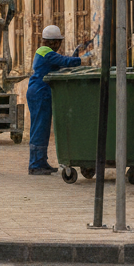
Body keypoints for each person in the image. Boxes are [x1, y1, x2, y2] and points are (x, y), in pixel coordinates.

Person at [28, 25, 83, 175]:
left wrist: (74, 56)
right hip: (40, 92)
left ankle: (41, 161)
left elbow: (62, 63)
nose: (59, 45)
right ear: (53, 42)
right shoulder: (46, 52)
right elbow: (65, 61)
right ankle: (35, 164)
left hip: (40, 91)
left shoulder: (45, 52)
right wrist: (82, 58)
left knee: (43, 128)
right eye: (58, 42)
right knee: (39, 128)